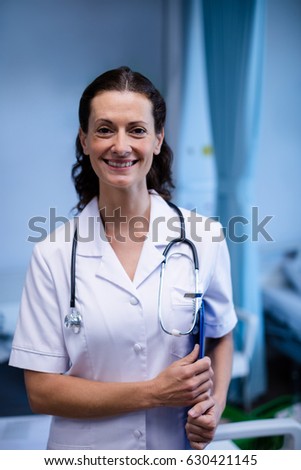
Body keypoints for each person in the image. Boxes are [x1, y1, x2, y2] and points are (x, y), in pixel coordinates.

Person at [9, 66, 237, 450]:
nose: (120, 145)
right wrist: (153, 392)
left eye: (136, 129)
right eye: (104, 129)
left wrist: (214, 405)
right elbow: (42, 391)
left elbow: (222, 333)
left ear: (158, 139)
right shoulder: (53, 254)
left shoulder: (205, 238)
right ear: (84, 140)